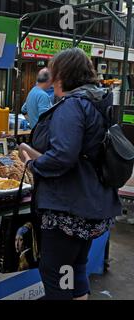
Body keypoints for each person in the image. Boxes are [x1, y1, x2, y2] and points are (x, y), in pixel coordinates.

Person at [21, 48, 121, 300]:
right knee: (74, 267)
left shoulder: (73, 105)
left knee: (56, 272)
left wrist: (34, 165)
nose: (50, 75)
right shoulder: (98, 101)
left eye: (54, 70)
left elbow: (62, 156)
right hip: (92, 202)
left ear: (62, 74)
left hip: (68, 206)